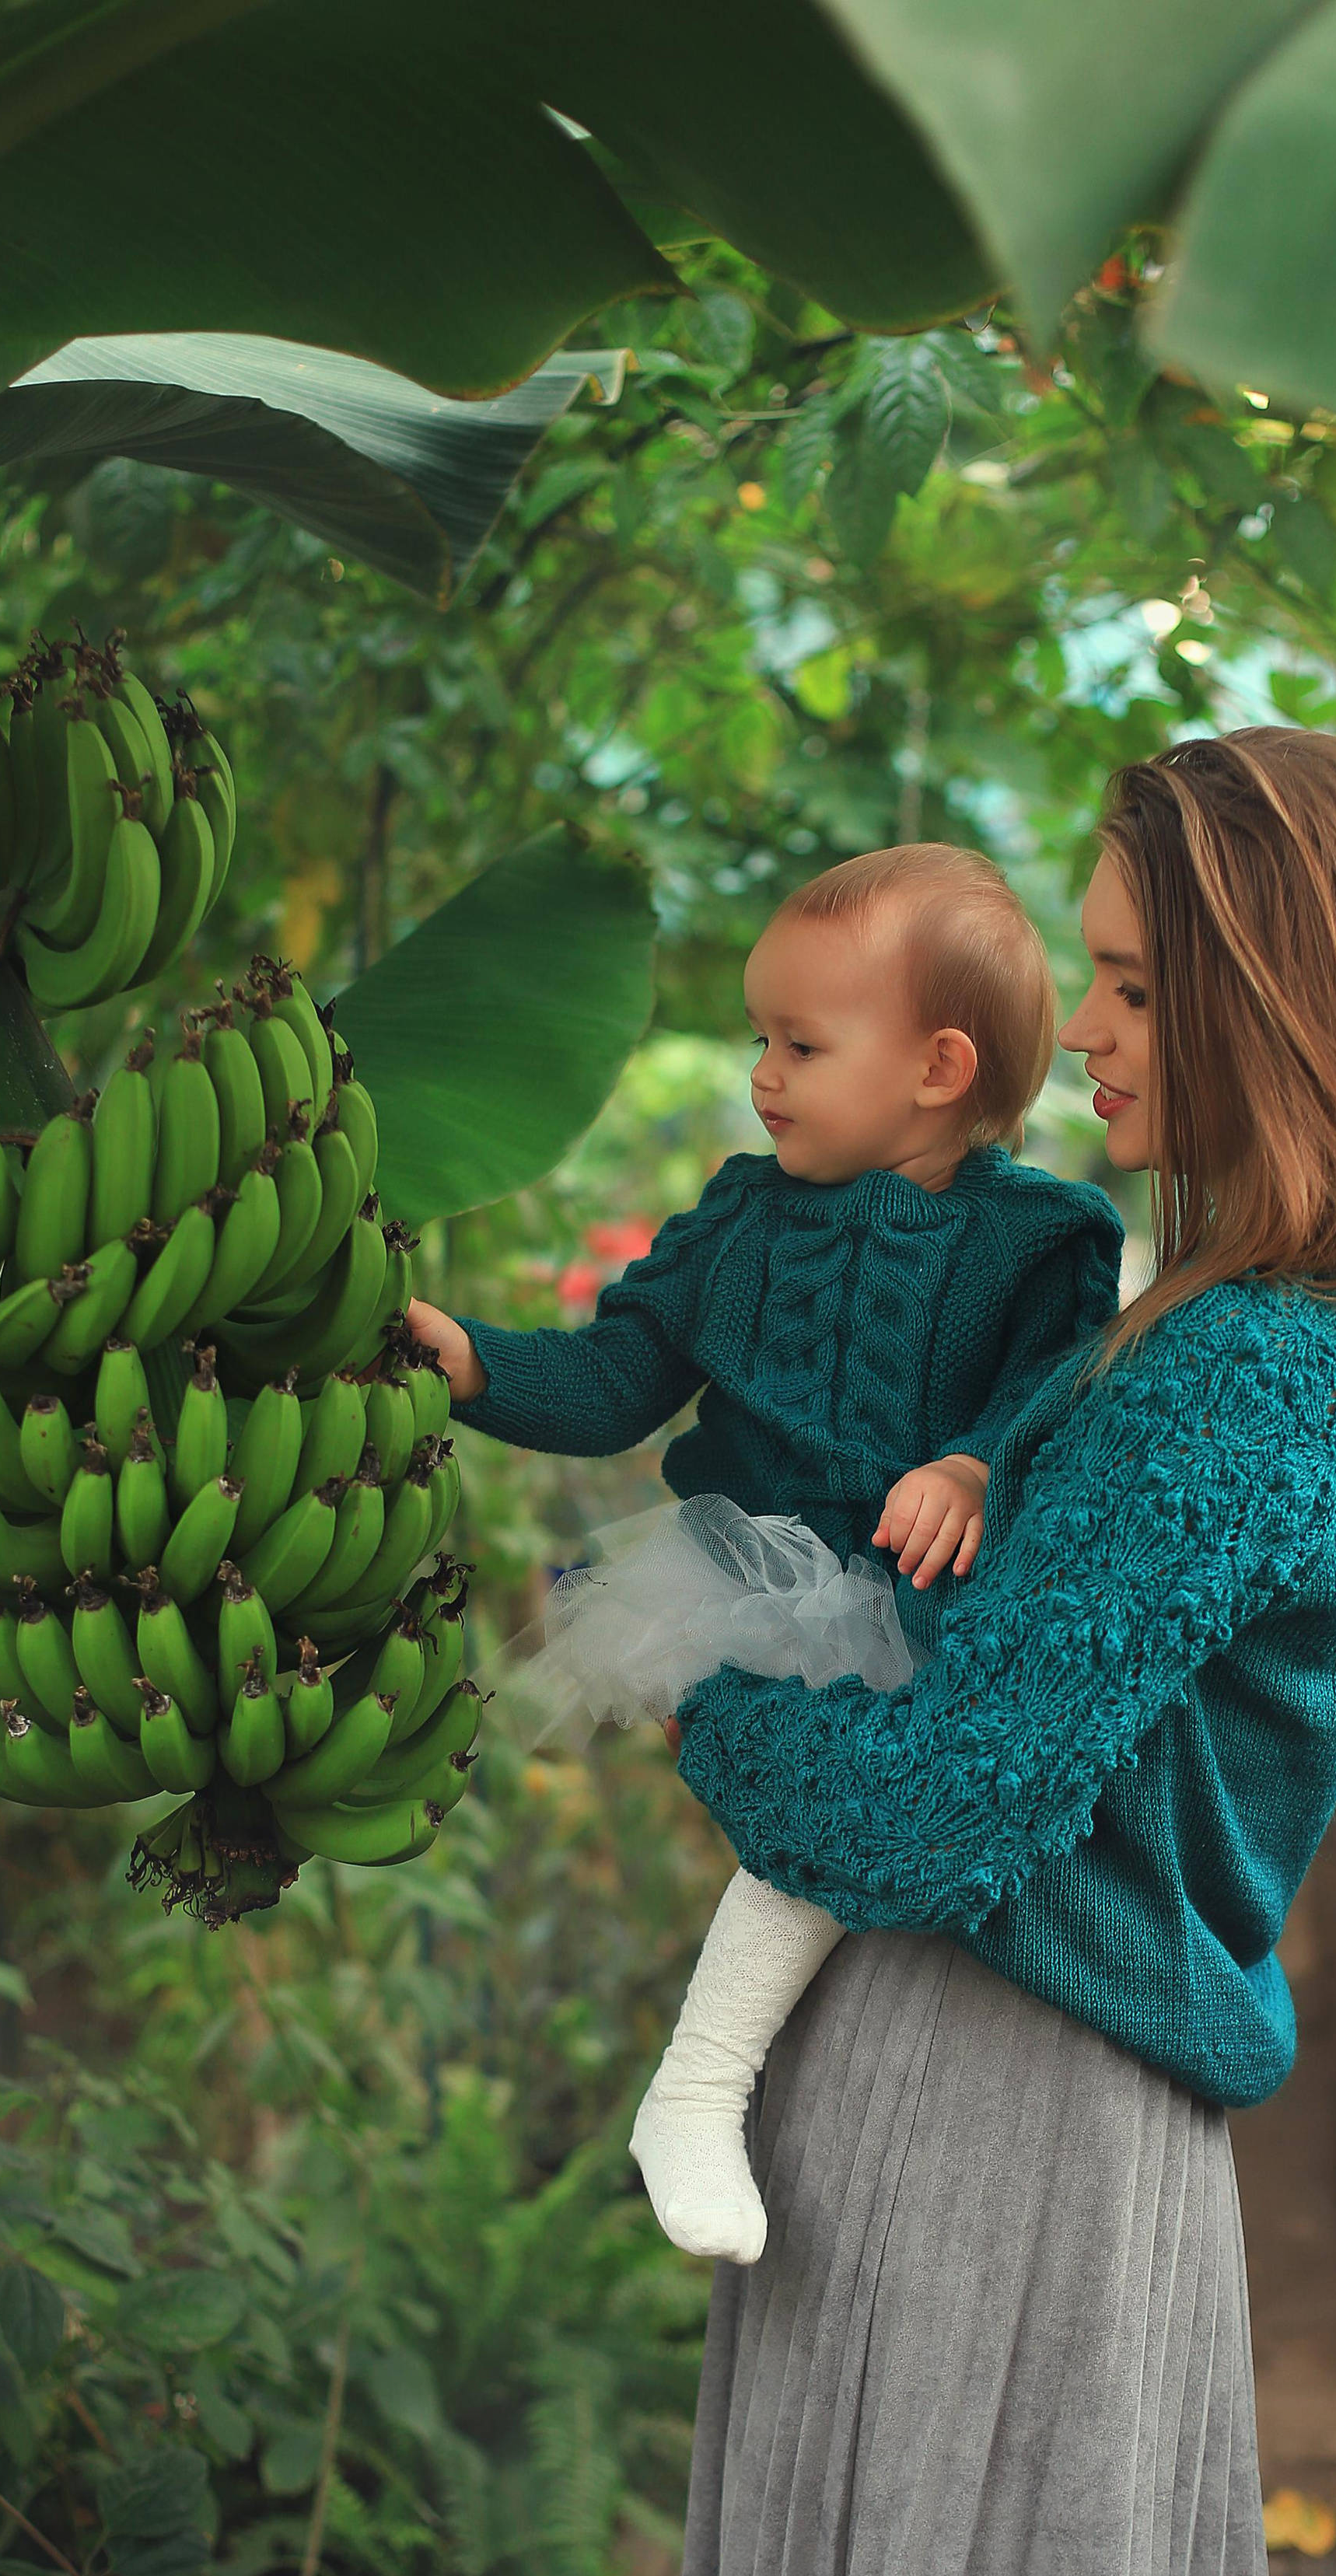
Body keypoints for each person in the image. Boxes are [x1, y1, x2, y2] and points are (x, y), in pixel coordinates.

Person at [652, 729, 1336, 2576]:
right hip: (1052, 2082)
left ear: (1279, 999)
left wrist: (697, 1681)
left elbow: (933, 1809)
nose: (1092, 1029)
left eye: (1141, 985)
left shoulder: (1253, 1366)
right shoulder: (1316, 1305)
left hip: (994, 2096)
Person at [406, 843, 1124, 2260]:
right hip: (762, 1578)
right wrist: (475, 1366)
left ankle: (717, 2088)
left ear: (938, 1068)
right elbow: (617, 1378)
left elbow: (1061, 1395)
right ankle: (696, 2088)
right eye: (761, 1040)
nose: (764, 1076)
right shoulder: (741, 1218)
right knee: (824, 1802)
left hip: (923, 1590)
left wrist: (974, 1462)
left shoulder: (1040, 1240)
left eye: (802, 1044)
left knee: (905, 1818)